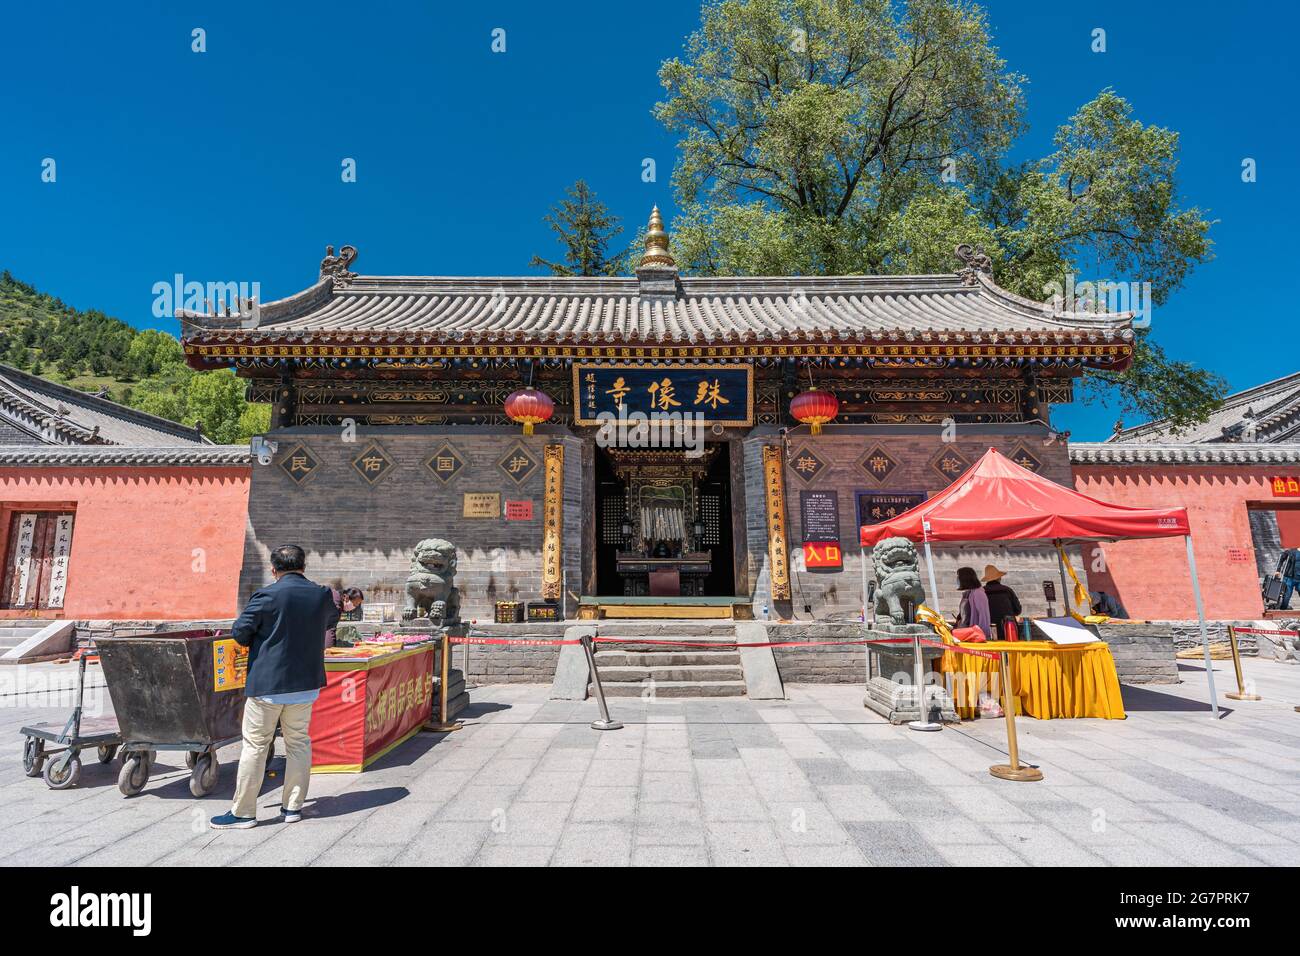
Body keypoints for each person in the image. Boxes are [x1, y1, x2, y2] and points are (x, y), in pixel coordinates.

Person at [210, 545, 339, 829]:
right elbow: (331, 619)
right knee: (298, 743)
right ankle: (292, 807)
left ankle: (244, 812)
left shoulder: (267, 595)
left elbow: (240, 632)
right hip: (305, 684)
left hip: (269, 685)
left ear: (274, 569)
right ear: (303, 567)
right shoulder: (321, 595)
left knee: (256, 745)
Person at [982, 565, 1022, 639]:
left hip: (988, 630)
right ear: (999, 578)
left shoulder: (981, 592)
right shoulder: (1007, 590)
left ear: (987, 580)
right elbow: (1018, 610)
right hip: (1008, 629)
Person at [953, 566, 992, 640]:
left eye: (959, 577)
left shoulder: (978, 593)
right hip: (968, 632)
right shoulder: (970, 593)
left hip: (976, 635)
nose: (957, 579)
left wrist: (983, 635)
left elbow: (984, 616)